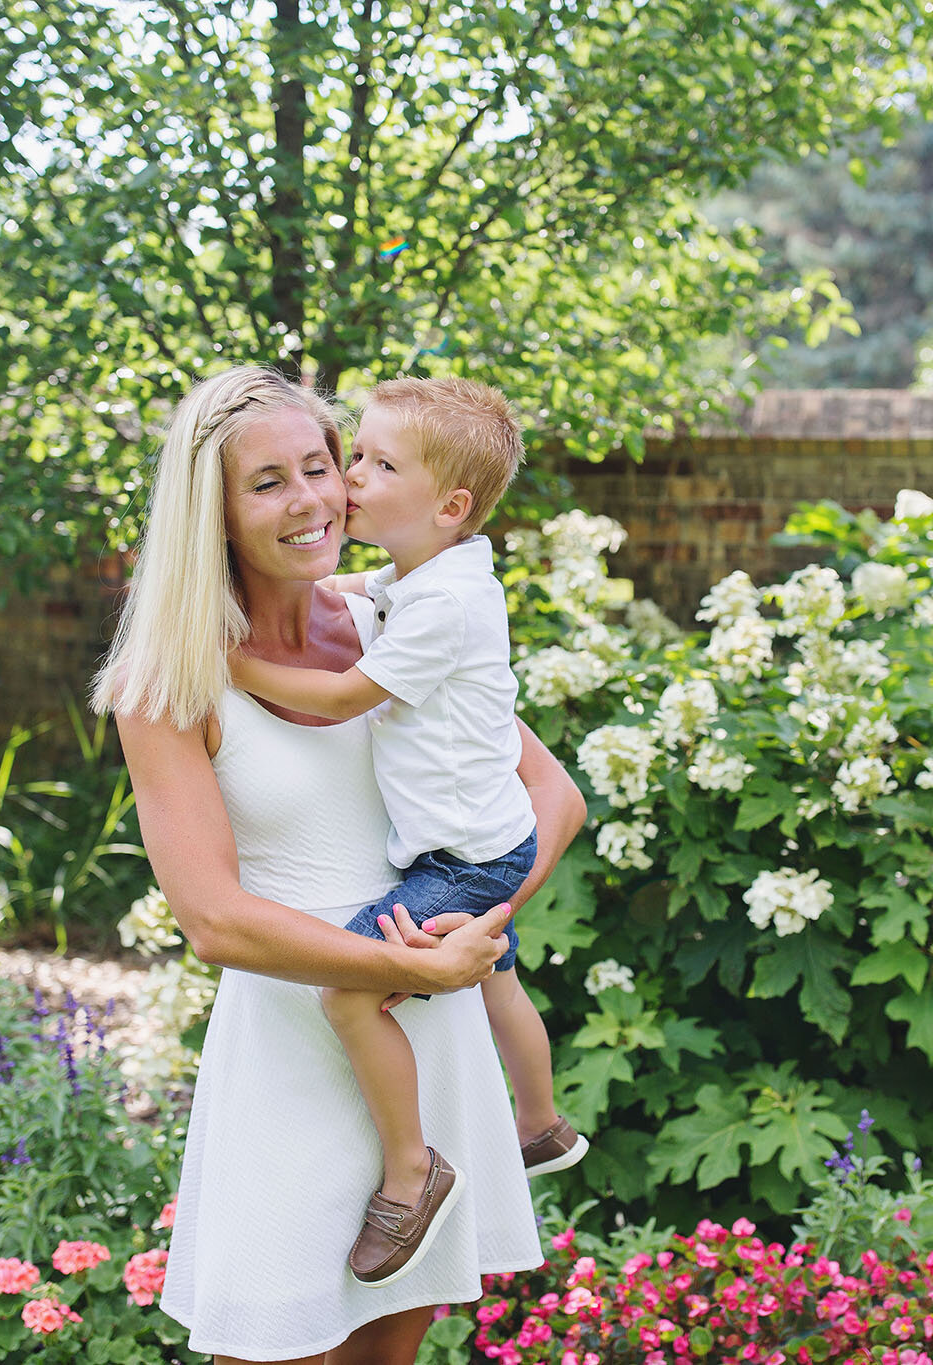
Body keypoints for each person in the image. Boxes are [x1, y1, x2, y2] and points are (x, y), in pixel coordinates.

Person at [91, 366, 585, 1365]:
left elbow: (552, 800)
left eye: (320, 465)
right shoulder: (168, 680)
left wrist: (468, 933)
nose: (313, 497)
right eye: (267, 482)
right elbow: (214, 921)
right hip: (291, 1053)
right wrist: (407, 968)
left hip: (422, 1030)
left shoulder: (391, 625)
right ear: (214, 512)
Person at [228, 378, 587, 1288]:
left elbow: (350, 695)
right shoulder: (436, 573)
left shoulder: (441, 609)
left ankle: (411, 1170)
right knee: (499, 976)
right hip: (483, 838)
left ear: (449, 504)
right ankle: (542, 1120)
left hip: (467, 855)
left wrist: (238, 663)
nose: (347, 481)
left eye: (371, 464)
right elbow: (357, 582)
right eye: (353, 456)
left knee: (350, 994)